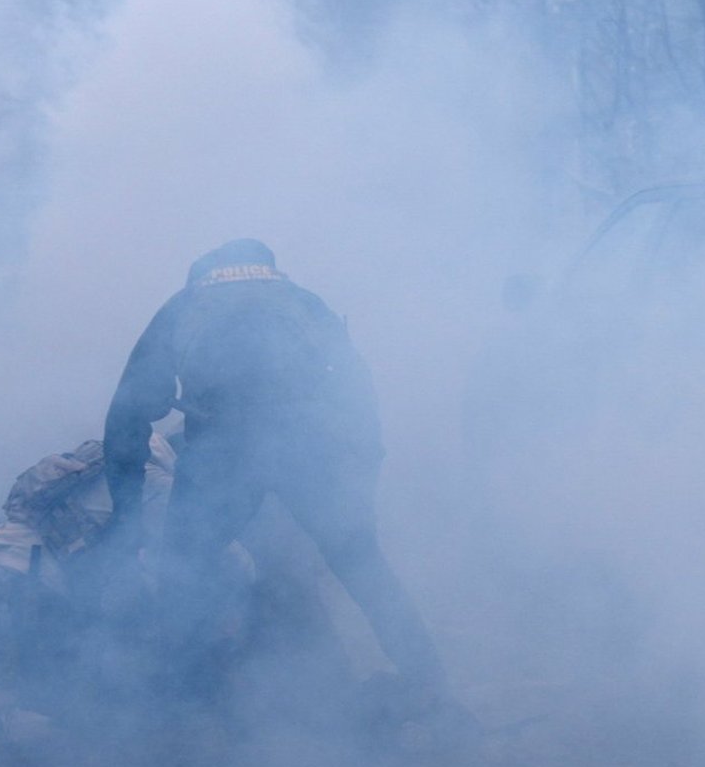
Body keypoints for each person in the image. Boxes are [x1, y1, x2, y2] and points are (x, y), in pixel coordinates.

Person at [102, 238, 448, 715]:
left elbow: (129, 414)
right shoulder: (305, 302)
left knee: (184, 573)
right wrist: (362, 472)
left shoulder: (185, 307)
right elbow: (356, 393)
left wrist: (125, 515)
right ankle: (433, 687)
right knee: (363, 565)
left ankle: (182, 710)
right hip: (311, 450)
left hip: (224, 451)